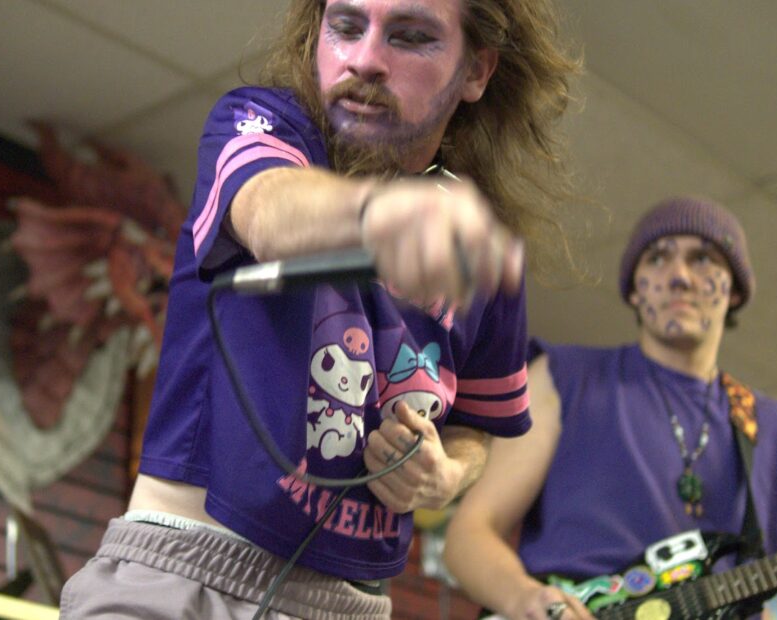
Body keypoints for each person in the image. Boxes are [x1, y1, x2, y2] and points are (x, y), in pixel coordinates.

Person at [59, 0, 580, 618]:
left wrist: (444, 474)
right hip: (185, 572)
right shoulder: (262, 123)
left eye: (410, 37)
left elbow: (475, 428)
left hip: (349, 604)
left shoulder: (476, 241)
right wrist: (381, 217)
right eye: (346, 26)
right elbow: (271, 208)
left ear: (476, 72)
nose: (364, 60)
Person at [444, 196, 777, 620]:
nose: (679, 277)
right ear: (634, 290)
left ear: (735, 290)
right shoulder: (566, 378)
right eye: (658, 258)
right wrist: (525, 599)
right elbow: (470, 534)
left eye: (703, 259)